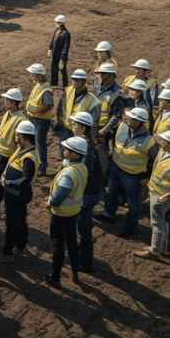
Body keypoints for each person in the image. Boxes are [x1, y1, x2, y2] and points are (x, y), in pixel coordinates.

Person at [97, 107, 158, 237]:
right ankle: (108, 213)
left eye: (133, 118)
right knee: (111, 193)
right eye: (129, 117)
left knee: (133, 203)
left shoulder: (149, 141)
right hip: (116, 168)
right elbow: (114, 141)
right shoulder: (121, 128)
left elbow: (155, 160)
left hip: (133, 176)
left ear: (140, 122)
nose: (128, 119)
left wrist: (147, 176)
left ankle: (131, 226)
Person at [42, 137, 88, 288]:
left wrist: (49, 203)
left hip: (60, 214)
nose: (64, 150)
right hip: (73, 212)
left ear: (75, 155)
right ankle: (75, 273)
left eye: (67, 149)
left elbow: (58, 197)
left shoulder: (68, 174)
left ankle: (55, 277)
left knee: (57, 245)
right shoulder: (82, 167)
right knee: (72, 243)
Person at [0, 120, 39, 263]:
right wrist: (5, 173)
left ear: (25, 138)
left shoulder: (29, 158)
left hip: (17, 194)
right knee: (19, 220)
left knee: (12, 223)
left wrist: (7, 182)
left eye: (18, 136)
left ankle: (7, 253)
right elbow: (12, 162)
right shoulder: (23, 149)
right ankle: (20, 246)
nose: (16, 138)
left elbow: (25, 180)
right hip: (13, 193)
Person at [70, 112, 104, 272]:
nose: (72, 126)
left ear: (83, 128)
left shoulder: (85, 149)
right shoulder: (85, 144)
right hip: (91, 191)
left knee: (84, 228)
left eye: (74, 124)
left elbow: (84, 173)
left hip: (87, 194)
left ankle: (85, 262)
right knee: (81, 225)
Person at [0, 88, 28, 220]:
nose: (5, 101)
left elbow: (20, 144)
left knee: (4, 183)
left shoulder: (20, 120)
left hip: (7, 156)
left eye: (7, 100)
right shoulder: (8, 114)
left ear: (14, 102)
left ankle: (4, 209)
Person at [133, 130, 170, 261]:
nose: (162, 143)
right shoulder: (163, 152)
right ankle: (163, 247)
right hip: (155, 191)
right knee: (164, 222)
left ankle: (154, 251)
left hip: (161, 196)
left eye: (165, 142)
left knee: (157, 223)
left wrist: (167, 195)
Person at [54, 69, 100, 160]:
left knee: (75, 154)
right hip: (65, 127)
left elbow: (94, 122)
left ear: (84, 82)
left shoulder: (92, 101)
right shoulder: (68, 90)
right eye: (73, 79)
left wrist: (92, 136)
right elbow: (61, 104)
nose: (74, 82)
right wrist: (58, 118)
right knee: (64, 151)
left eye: (77, 80)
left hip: (79, 132)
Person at [25, 63, 55, 177]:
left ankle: (42, 167)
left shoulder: (45, 89)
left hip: (41, 121)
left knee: (40, 144)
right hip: (33, 119)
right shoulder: (38, 85)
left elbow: (49, 105)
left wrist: (39, 111)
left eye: (32, 74)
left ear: (38, 75)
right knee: (34, 142)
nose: (30, 76)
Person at [48, 15, 71, 88]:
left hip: (61, 56)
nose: (57, 23)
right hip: (55, 55)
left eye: (59, 22)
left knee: (63, 70)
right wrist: (50, 49)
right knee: (53, 69)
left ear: (63, 22)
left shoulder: (66, 33)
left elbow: (65, 47)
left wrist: (62, 58)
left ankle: (65, 85)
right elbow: (52, 40)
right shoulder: (56, 30)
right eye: (57, 22)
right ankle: (53, 84)